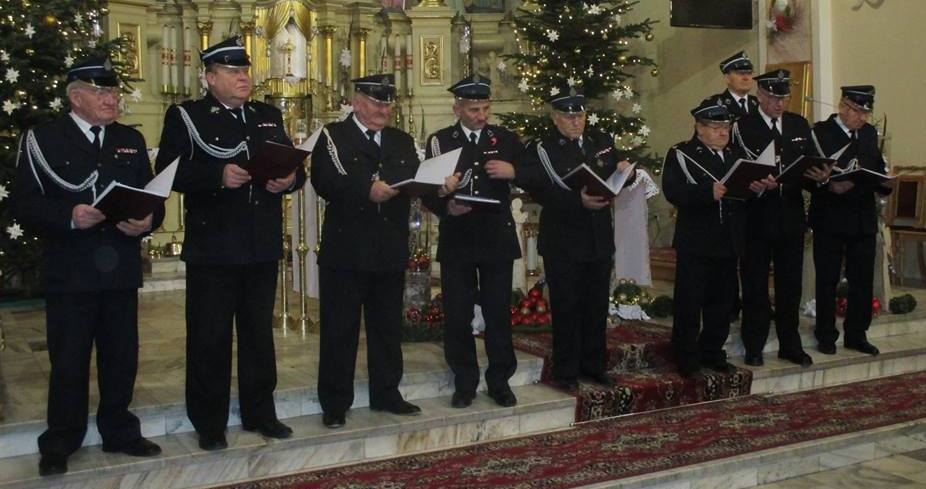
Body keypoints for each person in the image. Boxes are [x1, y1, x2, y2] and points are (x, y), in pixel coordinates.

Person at [12, 57, 164, 475]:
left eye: (113, 91)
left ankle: (120, 430)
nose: (110, 99)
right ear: (75, 97)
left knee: (121, 357)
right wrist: (69, 216)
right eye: (100, 92)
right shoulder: (43, 139)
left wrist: (148, 221)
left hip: (120, 268)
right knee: (69, 360)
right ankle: (61, 439)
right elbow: (24, 204)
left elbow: (152, 197)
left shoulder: (129, 139)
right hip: (71, 269)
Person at [155, 37, 305, 450]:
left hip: (260, 243)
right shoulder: (186, 116)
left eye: (246, 70)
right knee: (210, 337)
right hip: (214, 246)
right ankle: (209, 421)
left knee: (258, 335)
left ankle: (261, 413)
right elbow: (168, 171)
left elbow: (293, 166)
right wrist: (217, 176)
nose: (243, 77)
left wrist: (290, 180)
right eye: (233, 71)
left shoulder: (267, 115)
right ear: (210, 77)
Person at [311, 74, 457, 428]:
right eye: (376, 103)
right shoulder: (333, 136)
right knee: (340, 330)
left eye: (387, 103)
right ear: (357, 102)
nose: (383, 110)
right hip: (346, 250)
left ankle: (387, 392)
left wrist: (440, 188)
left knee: (387, 328)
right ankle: (335, 402)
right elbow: (325, 179)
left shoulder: (400, 140)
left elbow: (415, 180)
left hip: (389, 247)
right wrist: (366, 189)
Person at [516, 86, 631, 390]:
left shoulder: (599, 141)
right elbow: (538, 189)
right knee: (566, 307)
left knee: (596, 306)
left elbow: (614, 172)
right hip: (564, 239)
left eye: (579, 116)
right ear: (555, 118)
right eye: (568, 117)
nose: (575, 121)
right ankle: (566, 372)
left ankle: (594, 366)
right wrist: (576, 201)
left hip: (598, 237)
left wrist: (626, 173)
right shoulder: (543, 148)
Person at [421, 74, 522, 409]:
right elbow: (426, 190)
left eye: (485, 108)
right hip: (459, 238)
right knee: (457, 313)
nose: (482, 116)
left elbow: (532, 173)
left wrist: (513, 172)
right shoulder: (441, 141)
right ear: (458, 109)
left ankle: (500, 381)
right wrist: (445, 202)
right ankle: (464, 381)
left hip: (496, 237)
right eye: (474, 110)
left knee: (498, 312)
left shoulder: (505, 138)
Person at [731, 69, 830, 367]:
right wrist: (754, 183)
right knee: (755, 285)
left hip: (790, 216)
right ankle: (754, 344)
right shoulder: (742, 126)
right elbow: (736, 169)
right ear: (760, 95)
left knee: (790, 285)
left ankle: (790, 344)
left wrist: (821, 176)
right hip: (757, 217)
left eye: (784, 98)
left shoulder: (798, 124)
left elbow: (809, 163)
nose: (779, 104)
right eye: (774, 97)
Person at [661, 99, 751, 377]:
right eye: (715, 127)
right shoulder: (682, 153)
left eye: (726, 127)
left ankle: (713, 352)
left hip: (729, 238)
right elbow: (673, 191)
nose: (723, 132)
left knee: (722, 303)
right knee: (690, 302)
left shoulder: (736, 154)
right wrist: (705, 192)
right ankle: (686, 356)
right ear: (699, 128)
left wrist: (758, 185)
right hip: (697, 240)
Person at [809, 85, 893, 356]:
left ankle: (857, 334)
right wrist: (825, 183)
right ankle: (826, 334)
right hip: (830, 217)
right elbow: (808, 174)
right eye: (858, 111)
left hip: (862, 217)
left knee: (862, 280)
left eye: (866, 112)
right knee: (827, 279)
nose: (863, 118)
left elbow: (875, 167)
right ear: (843, 106)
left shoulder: (867, 133)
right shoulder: (820, 132)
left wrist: (885, 182)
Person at [711, 51, 758, 119]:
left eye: (749, 73)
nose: (746, 78)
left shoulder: (759, 103)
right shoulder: (715, 104)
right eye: (740, 73)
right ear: (727, 78)